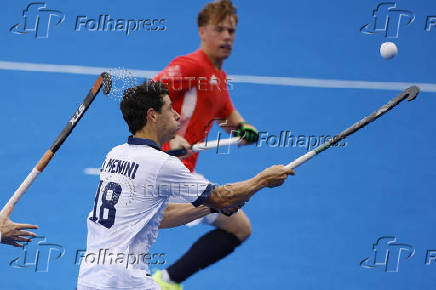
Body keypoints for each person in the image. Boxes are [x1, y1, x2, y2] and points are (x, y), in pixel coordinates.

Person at [76, 81, 293, 290]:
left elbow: (161, 215)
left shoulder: (115, 154)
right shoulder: (162, 164)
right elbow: (222, 197)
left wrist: (211, 207)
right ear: (152, 115)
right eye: (170, 109)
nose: (177, 115)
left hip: (91, 278)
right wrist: (262, 180)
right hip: (126, 282)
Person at [152, 1, 260, 288]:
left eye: (231, 31)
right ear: (202, 32)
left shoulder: (218, 78)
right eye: (219, 29)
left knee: (238, 227)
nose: (227, 36)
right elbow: (146, 96)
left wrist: (244, 128)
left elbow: (225, 113)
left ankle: (166, 281)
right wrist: (169, 136)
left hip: (182, 175)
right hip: (161, 168)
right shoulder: (189, 66)